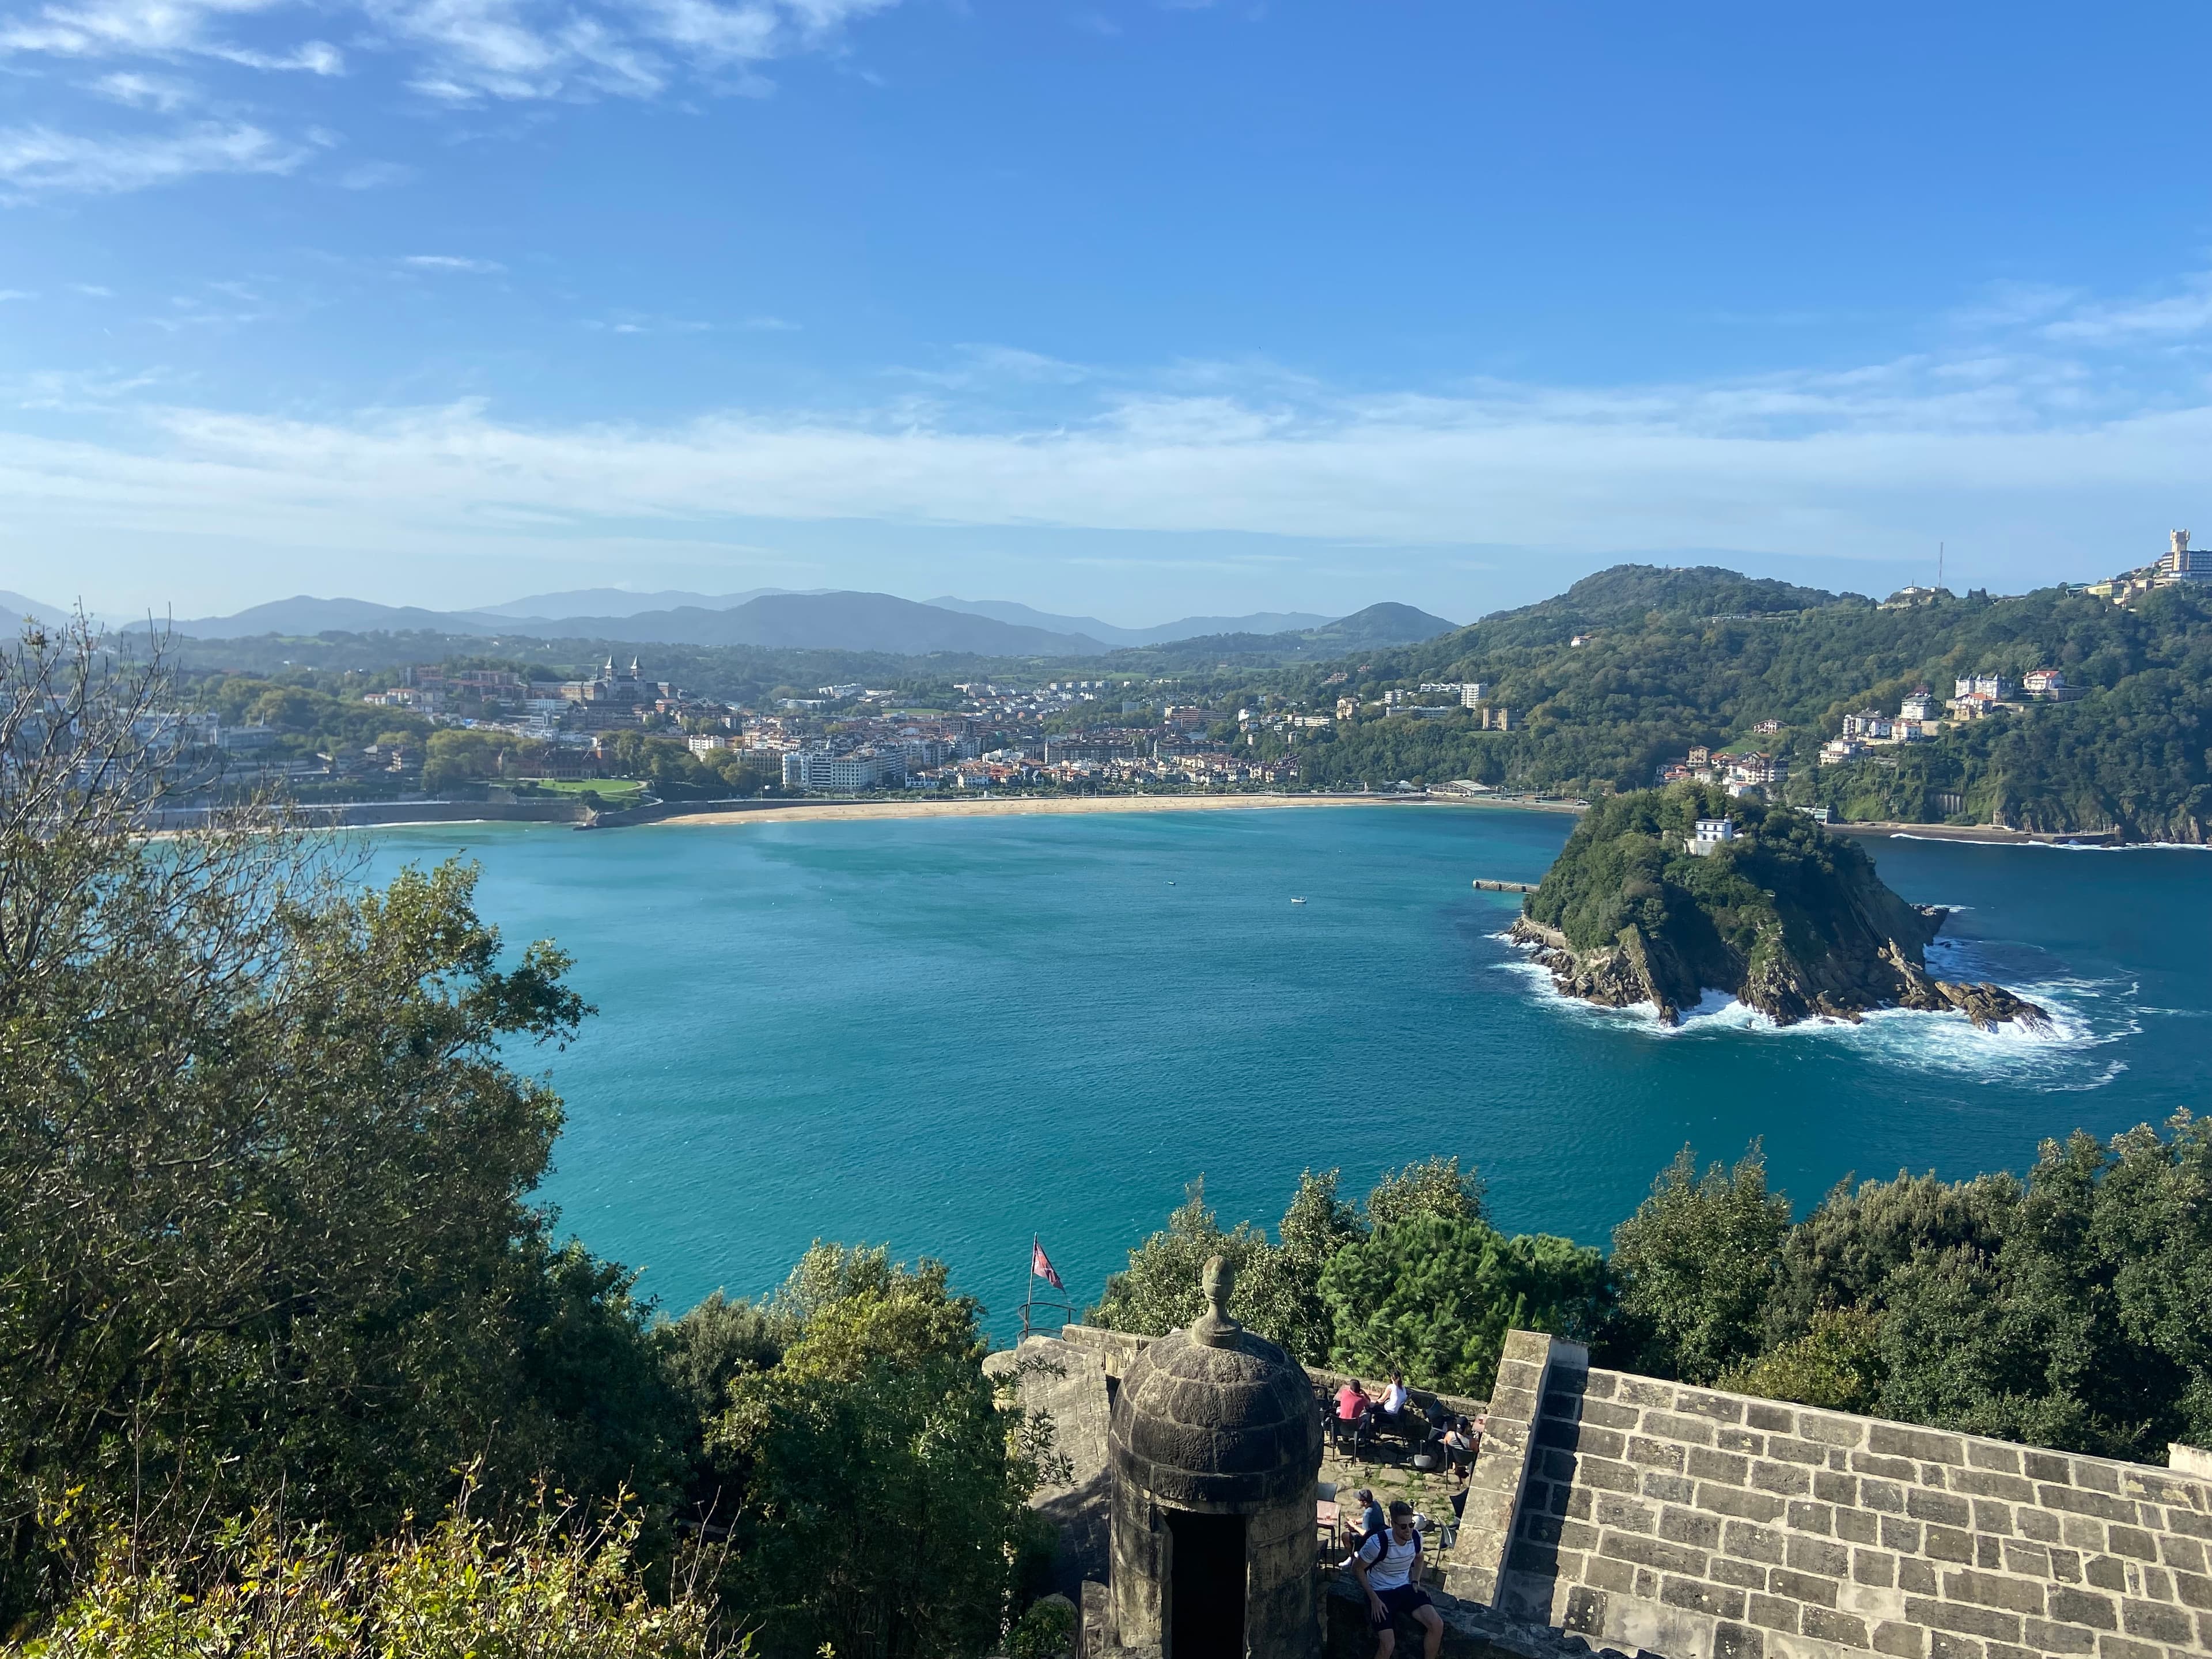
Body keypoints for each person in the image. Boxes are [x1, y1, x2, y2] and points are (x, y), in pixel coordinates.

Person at [1351, 1499, 1442, 1659]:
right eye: (1403, 1526)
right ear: (1393, 1524)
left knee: (1437, 1625)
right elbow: (1357, 1569)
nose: (1408, 1530)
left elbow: (1419, 1558)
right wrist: (1373, 1598)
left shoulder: (1416, 1537)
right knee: (1388, 1645)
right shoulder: (1377, 1543)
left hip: (1404, 1587)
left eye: (1411, 1524)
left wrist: (1416, 1581)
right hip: (1380, 1591)